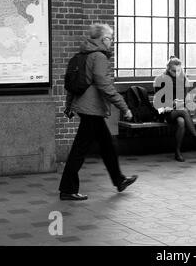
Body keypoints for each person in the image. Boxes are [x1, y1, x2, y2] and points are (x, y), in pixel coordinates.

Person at [59, 23, 138, 201]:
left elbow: (73, 86)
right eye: (110, 38)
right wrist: (124, 107)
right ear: (103, 39)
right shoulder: (99, 57)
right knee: (79, 150)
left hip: (86, 108)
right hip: (92, 110)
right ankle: (67, 189)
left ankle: (119, 180)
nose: (112, 42)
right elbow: (105, 86)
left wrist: (69, 105)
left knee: (107, 145)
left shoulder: (82, 55)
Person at [153, 56, 196, 162]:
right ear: (168, 69)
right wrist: (171, 103)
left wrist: (184, 103)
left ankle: (177, 152)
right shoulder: (160, 79)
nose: (176, 73)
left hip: (178, 111)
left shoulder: (183, 79)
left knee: (181, 122)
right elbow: (157, 102)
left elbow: (185, 99)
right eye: (173, 71)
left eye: (178, 71)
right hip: (164, 111)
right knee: (184, 112)